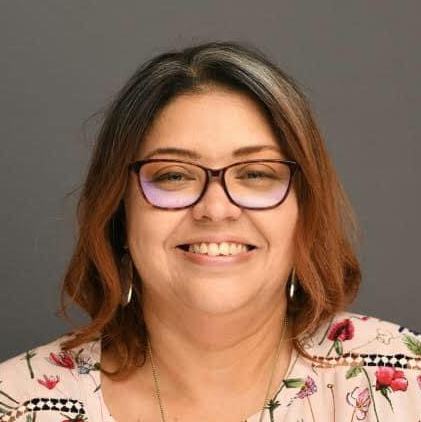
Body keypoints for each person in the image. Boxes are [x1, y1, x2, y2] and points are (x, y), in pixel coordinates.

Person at [0, 40, 420, 422]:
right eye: (173, 176)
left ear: (304, 211)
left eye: (255, 174)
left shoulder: (407, 384)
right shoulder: (18, 405)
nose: (216, 209)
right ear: (118, 212)